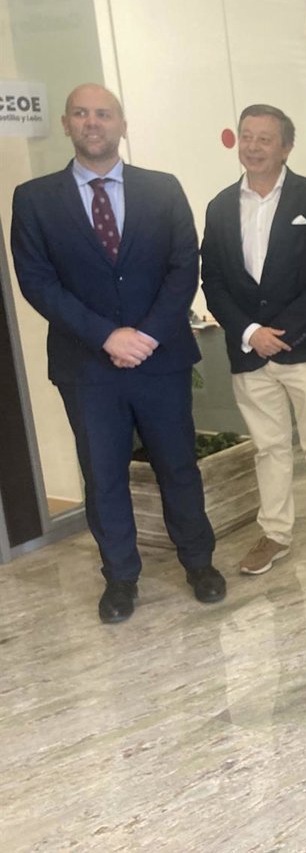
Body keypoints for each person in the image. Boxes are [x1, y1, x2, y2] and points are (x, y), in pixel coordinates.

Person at [10, 83, 226, 622]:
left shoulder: (162, 189)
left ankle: (199, 563)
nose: (93, 122)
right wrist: (107, 336)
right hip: (87, 367)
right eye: (81, 113)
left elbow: (184, 267)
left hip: (161, 360)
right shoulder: (34, 199)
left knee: (178, 466)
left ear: (122, 125)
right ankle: (121, 578)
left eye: (103, 114)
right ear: (66, 124)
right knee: (103, 475)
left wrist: (146, 336)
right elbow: (37, 282)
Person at [200, 104, 306, 575]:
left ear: (286, 148)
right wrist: (251, 332)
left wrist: (281, 334)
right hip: (249, 352)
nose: (253, 147)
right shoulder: (220, 206)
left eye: (264, 139)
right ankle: (274, 534)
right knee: (268, 448)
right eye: (246, 136)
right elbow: (214, 281)